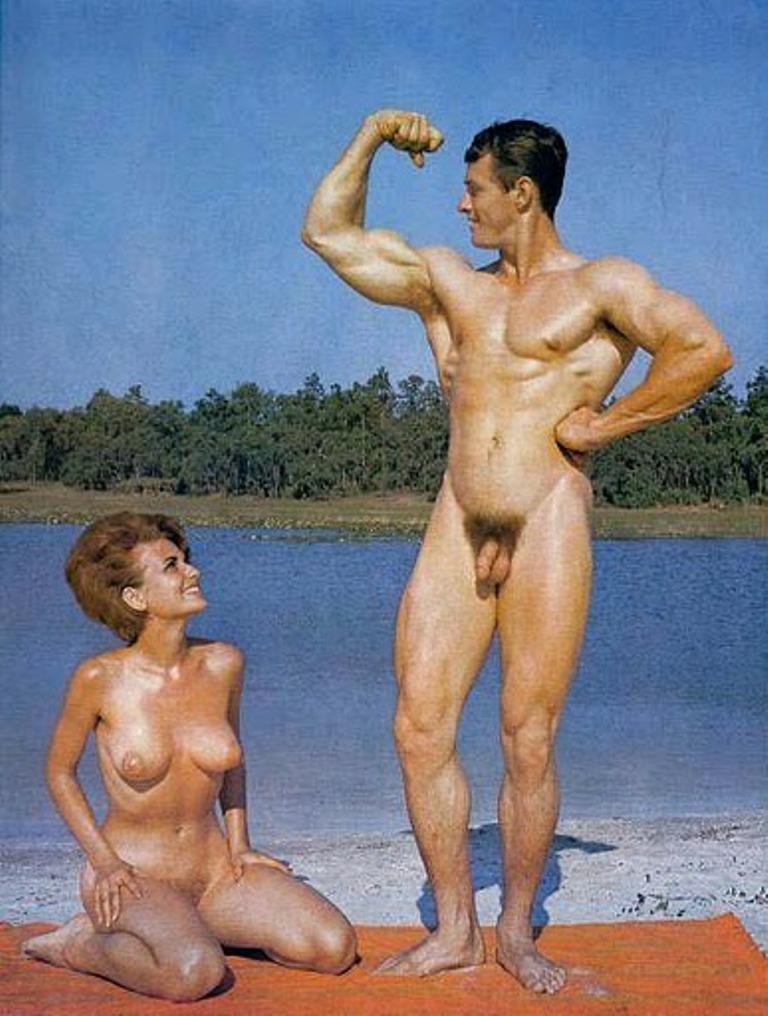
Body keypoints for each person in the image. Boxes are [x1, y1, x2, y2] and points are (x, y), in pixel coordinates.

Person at [302, 110, 732, 994]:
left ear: (521, 193)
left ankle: (516, 932)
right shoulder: (448, 284)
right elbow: (328, 233)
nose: (462, 206)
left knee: (526, 738)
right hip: (457, 517)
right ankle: (455, 929)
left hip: (549, 520)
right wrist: (374, 134)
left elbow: (702, 350)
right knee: (419, 726)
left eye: (474, 190)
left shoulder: (602, 285)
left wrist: (606, 426)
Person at [22, 512, 356, 1001]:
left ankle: (190, 927)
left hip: (215, 873)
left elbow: (233, 761)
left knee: (333, 948)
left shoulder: (223, 663)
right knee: (194, 974)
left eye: (185, 560)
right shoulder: (99, 679)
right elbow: (59, 772)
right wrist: (104, 863)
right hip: (131, 876)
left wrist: (240, 843)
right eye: (171, 566)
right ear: (135, 598)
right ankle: (79, 943)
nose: (192, 571)